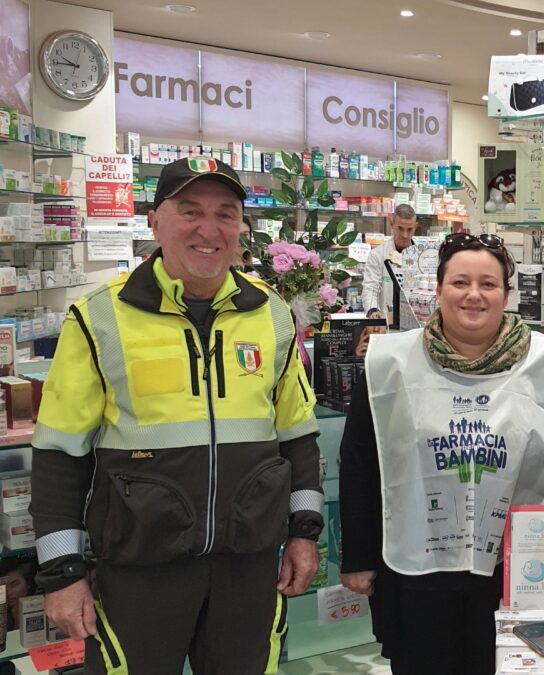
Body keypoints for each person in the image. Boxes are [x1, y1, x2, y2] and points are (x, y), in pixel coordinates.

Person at [29, 157, 323, 674]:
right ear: (155, 221)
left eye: (225, 214)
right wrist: (62, 572)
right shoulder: (100, 316)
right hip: (139, 568)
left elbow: (297, 437)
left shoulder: (272, 314)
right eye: (190, 211)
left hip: (248, 566)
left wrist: (303, 531)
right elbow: (59, 453)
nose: (208, 229)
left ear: (241, 228)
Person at [339, 232, 544, 674]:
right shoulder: (391, 362)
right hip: (417, 570)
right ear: (437, 289)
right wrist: (357, 558)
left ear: (507, 295)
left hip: (512, 569)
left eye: (488, 284)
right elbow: (360, 460)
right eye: (459, 282)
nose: (474, 295)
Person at [362, 204, 418, 318]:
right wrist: (372, 310)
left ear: (416, 227)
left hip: (418, 322)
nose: (405, 235)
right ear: (391, 224)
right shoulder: (378, 254)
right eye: (400, 228)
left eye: (410, 229)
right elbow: (370, 288)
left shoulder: (423, 257)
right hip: (388, 322)